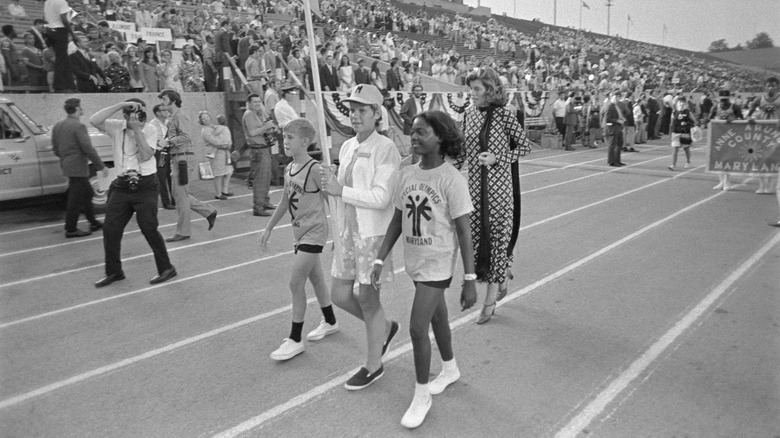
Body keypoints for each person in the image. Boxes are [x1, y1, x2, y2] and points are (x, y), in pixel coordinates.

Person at [369, 110, 477, 429]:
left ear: (440, 138)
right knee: (438, 316)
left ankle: (421, 395)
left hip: (438, 263)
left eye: (422, 132)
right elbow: (397, 221)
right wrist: (379, 257)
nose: (414, 137)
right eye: (412, 132)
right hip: (415, 262)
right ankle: (450, 368)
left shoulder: (452, 179)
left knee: (418, 328)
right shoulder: (407, 174)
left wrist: (469, 278)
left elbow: (464, 232)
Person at [320, 84, 401, 390]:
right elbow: (339, 195)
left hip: (372, 235)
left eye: (361, 110)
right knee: (339, 295)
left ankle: (373, 365)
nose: (355, 115)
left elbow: (381, 198)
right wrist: (333, 188)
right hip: (348, 234)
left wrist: (341, 189)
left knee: (368, 299)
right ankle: (385, 327)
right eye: (352, 110)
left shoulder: (386, 148)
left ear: (376, 114)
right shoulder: (347, 146)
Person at [260, 118, 338, 361]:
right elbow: (285, 201)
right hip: (299, 232)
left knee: (295, 283)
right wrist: (268, 228)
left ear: (305, 141)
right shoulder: (289, 168)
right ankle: (331, 321)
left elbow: (331, 200)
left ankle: (295, 339)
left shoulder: (315, 169)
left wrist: (338, 233)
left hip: (315, 232)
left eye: (290, 138)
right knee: (316, 280)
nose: (285, 142)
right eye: (284, 138)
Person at [457, 67, 530, 324]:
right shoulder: (468, 116)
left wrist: (499, 158)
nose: (472, 94)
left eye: (476, 90)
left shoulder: (505, 115)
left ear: (490, 90)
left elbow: (524, 147)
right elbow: (462, 152)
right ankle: (503, 270)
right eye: (470, 90)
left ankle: (489, 301)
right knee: (478, 240)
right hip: (475, 189)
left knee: (496, 238)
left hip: (500, 190)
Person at [89, 98, 177, 288]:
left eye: (142, 113)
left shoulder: (150, 129)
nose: (139, 117)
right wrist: (120, 104)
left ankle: (166, 268)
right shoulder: (116, 127)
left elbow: (146, 155)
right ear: (125, 115)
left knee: (148, 228)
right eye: (134, 113)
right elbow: (93, 120)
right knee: (110, 230)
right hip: (121, 186)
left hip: (145, 185)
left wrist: (137, 129)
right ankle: (114, 272)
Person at [159, 89, 218, 242]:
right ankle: (209, 211)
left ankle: (183, 231)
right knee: (180, 194)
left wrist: (169, 142)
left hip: (182, 159)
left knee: (180, 196)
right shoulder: (173, 117)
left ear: (173, 100)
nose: (162, 102)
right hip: (177, 159)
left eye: (164, 99)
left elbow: (186, 136)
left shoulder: (180, 116)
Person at [52, 98, 108, 238]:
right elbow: (88, 148)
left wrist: (65, 158)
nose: (82, 109)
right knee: (75, 199)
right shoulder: (78, 126)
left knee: (87, 193)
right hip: (78, 166)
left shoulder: (58, 125)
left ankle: (93, 221)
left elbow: (55, 148)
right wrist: (101, 166)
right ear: (77, 109)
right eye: (80, 107)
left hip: (67, 164)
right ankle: (71, 229)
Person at [235, 93, 278, 216]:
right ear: (249, 103)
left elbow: (261, 130)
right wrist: (266, 127)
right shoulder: (248, 114)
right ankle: (258, 207)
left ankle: (265, 201)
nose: (258, 104)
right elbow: (252, 133)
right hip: (258, 149)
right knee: (260, 179)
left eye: (259, 102)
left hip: (264, 148)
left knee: (266, 177)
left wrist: (270, 129)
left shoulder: (258, 114)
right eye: (255, 102)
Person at [746, 77, 779, 196]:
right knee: (759, 158)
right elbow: (749, 114)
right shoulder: (759, 99)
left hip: (776, 133)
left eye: (773, 85)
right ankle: (761, 184)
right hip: (762, 133)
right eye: (768, 85)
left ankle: (770, 183)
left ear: (777, 87)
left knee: (774, 158)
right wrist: (750, 118)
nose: (771, 88)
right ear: (765, 87)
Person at [710, 90, 742, 191]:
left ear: (729, 98)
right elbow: (709, 118)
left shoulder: (734, 107)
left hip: (731, 136)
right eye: (722, 100)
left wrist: (733, 120)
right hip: (719, 135)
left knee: (728, 158)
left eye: (725, 99)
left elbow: (742, 119)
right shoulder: (716, 107)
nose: (723, 102)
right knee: (718, 158)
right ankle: (721, 181)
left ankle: (727, 181)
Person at [198, 111, 234, 200]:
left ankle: (224, 190)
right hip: (215, 154)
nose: (206, 119)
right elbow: (215, 141)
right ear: (201, 121)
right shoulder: (205, 131)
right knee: (218, 174)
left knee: (228, 172)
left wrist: (228, 143)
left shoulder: (214, 127)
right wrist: (226, 144)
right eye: (203, 118)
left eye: (207, 117)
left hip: (224, 152)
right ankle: (218, 194)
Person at [44, 0, 76, 92]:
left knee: (64, 59)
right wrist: (72, 33)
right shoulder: (62, 2)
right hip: (60, 30)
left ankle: (70, 85)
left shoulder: (47, 2)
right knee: (61, 59)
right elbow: (63, 18)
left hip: (50, 30)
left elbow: (45, 17)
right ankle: (59, 85)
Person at [148, 104, 174, 209]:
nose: (167, 111)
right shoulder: (153, 124)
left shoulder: (168, 122)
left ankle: (174, 200)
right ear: (158, 113)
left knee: (172, 176)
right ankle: (166, 202)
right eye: (164, 110)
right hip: (161, 152)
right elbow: (159, 142)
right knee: (162, 177)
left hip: (171, 151)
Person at [668, 96, 697, 171]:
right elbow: (671, 123)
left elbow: (695, 122)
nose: (680, 104)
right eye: (679, 102)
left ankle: (688, 161)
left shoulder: (688, 112)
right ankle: (673, 165)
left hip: (685, 132)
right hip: (676, 132)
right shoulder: (674, 112)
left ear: (685, 103)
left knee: (686, 148)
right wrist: (670, 133)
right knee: (675, 148)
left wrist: (687, 123)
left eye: (682, 102)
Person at [604, 91, 625, 167]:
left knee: (620, 143)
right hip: (613, 127)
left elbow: (620, 115)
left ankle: (617, 160)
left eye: (618, 97)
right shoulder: (610, 106)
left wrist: (622, 119)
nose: (617, 98)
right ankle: (611, 161)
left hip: (618, 127)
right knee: (612, 145)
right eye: (616, 97)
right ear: (612, 97)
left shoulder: (616, 106)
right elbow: (607, 119)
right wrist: (617, 120)